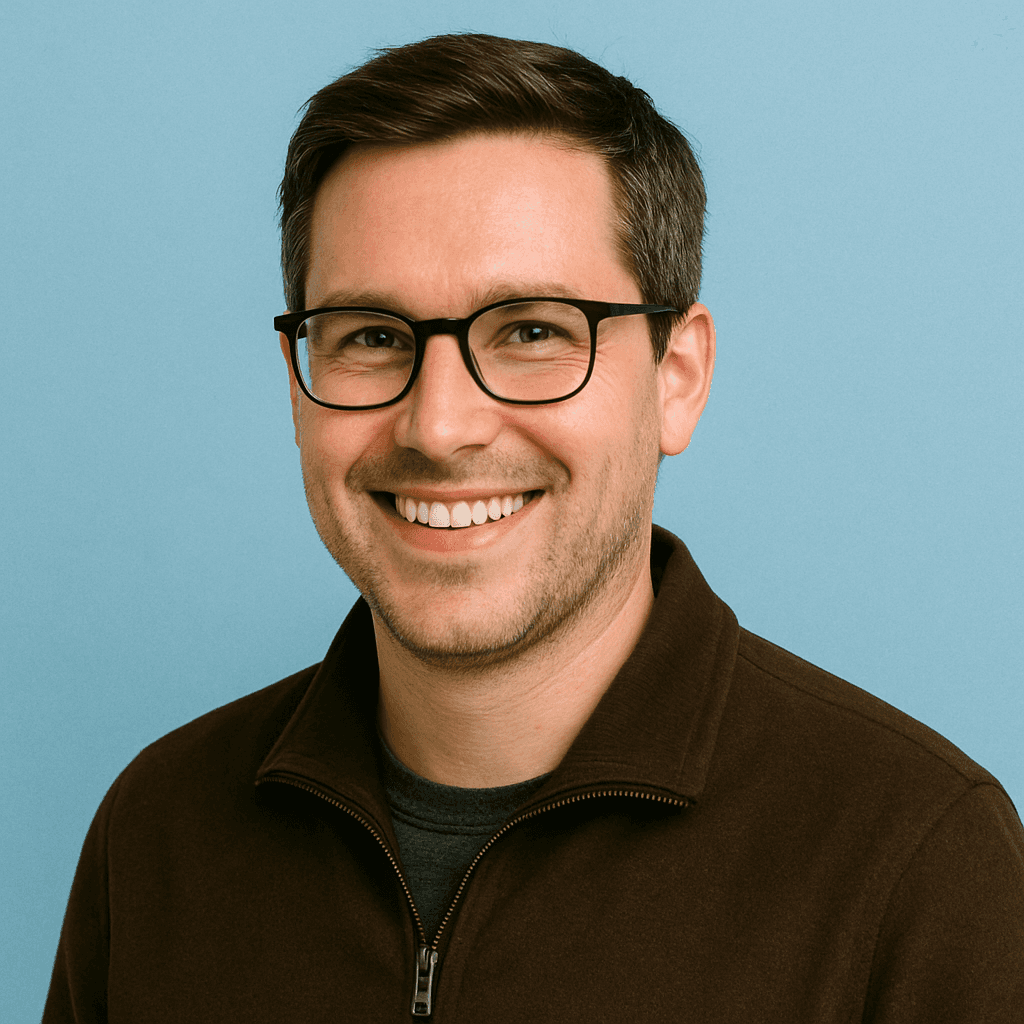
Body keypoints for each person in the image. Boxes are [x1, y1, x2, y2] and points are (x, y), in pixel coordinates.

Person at [44, 33, 1023, 1023]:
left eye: (531, 331)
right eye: (372, 337)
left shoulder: (917, 866)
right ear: (299, 392)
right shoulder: (156, 834)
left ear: (677, 379)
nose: (439, 427)